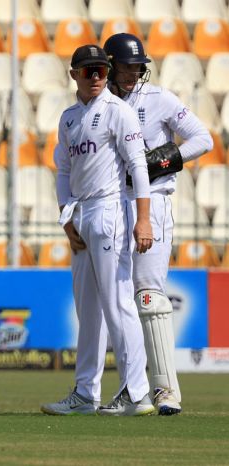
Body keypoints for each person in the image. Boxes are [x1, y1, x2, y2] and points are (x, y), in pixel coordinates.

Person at [41, 45, 155, 416]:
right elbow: (63, 171)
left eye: (102, 71)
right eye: (88, 71)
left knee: (117, 302)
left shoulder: (118, 112)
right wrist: (65, 219)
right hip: (80, 214)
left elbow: (138, 167)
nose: (96, 78)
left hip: (109, 212)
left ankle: (135, 392)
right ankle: (85, 393)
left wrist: (143, 219)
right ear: (73, 73)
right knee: (87, 309)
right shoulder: (69, 117)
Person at [103, 33, 213, 415]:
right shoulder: (98, 103)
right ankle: (129, 389)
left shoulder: (159, 99)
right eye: (126, 66)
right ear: (111, 66)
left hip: (155, 202)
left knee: (149, 294)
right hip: (111, 206)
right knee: (115, 299)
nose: (133, 72)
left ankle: (166, 389)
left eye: (138, 66)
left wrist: (160, 161)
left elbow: (203, 139)